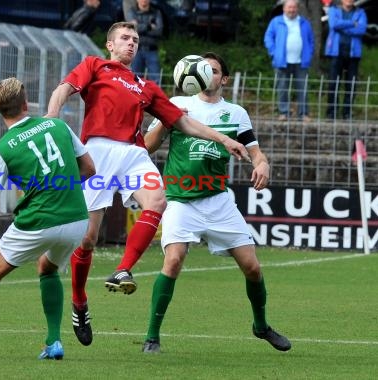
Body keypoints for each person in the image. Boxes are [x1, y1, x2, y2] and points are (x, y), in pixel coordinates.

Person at [46, 22, 249, 347]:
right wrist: (52, 118)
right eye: (125, 38)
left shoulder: (145, 85)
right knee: (87, 240)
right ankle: (80, 301)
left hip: (132, 152)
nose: (131, 43)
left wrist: (225, 139)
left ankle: (123, 269)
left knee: (158, 201)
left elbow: (182, 121)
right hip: (96, 150)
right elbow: (63, 89)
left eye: (135, 40)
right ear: (110, 44)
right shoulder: (94, 65)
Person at [141, 52, 291, 354]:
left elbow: (255, 153)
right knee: (173, 260)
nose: (207, 74)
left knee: (252, 267)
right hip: (181, 200)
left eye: (214, 70)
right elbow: (147, 146)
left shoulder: (235, 113)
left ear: (224, 79)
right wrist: (168, 119)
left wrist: (262, 164)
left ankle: (260, 326)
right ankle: (152, 337)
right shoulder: (177, 105)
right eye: (202, 69)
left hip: (218, 200)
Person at [0, 77, 96, 360]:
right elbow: (89, 168)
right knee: (47, 267)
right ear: (25, 104)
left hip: (38, 221)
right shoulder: (59, 126)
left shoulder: (2, 150)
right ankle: (53, 342)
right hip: (76, 220)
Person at [264, 0, 314, 122]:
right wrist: (274, 53)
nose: (291, 10)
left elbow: (311, 40)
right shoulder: (276, 22)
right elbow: (268, 38)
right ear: (284, 9)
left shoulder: (304, 23)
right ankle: (283, 113)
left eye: (294, 7)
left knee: (303, 88)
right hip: (282, 61)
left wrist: (309, 53)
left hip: (301, 61)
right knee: (282, 88)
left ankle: (303, 114)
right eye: (289, 7)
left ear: (297, 8)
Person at [325, 0, 367, 120]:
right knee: (333, 83)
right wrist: (352, 23)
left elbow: (362, 29)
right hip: (336, 52)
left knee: (351, 85)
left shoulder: (361, 12)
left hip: (353, 54)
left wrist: (342, 27)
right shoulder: (333, 10)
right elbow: (333, 24)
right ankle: (331, 113)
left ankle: (347, 113)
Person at [125, 0, 163, 83]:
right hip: (136, 50)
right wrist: (149, 26)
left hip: (152, 50)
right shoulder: (132, 12)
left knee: (156, 80)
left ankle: (155, 96)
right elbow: (132, 29)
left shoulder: (156, 12)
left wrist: (139, 26)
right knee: (134, 80)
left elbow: (159, 31)